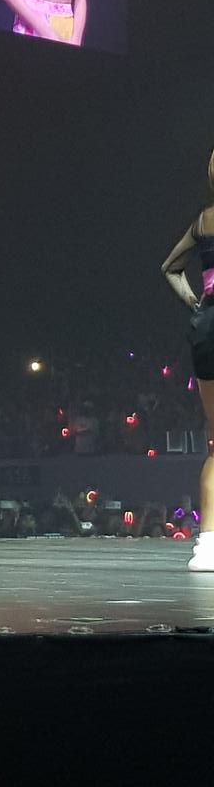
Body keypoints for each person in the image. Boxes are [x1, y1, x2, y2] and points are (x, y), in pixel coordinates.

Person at [162, 150, 214, 570]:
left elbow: (170, 268)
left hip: (208, 325)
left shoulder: (204, 220)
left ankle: (208, 544)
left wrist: (197, 304)